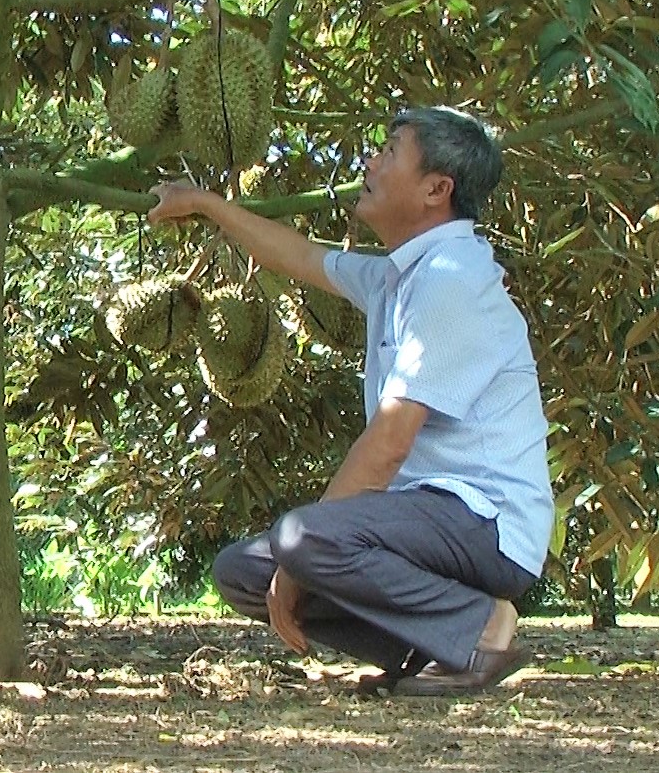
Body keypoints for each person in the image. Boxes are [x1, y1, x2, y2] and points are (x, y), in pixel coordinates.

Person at [149, 106, 553, 697]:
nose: (370, 161)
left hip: (486, 524)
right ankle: (429, 648)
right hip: (428, 521)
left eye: (390, 153)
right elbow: (300, 257)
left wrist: (299, 559)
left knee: (300, 542)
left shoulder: (450, 281)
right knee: (241, 572)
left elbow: (388, 445)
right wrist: (206, 203)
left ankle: (482, 627)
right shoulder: (398, 277)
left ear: (436, 190)